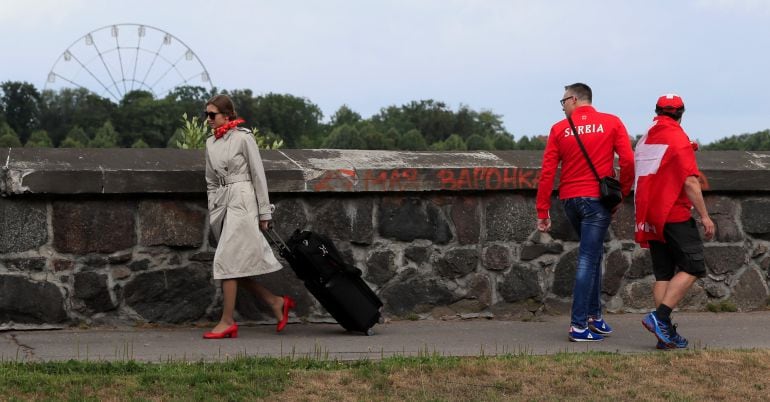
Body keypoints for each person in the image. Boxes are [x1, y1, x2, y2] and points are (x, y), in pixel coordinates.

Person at [536, 83, 634, 342]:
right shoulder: (612, 123)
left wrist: (542, 210)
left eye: (564, 100)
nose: (563, 105)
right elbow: (628, 161)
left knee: (592, 254)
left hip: (570, 200)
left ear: (576, 98)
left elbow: (547, 172)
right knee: (590, 257)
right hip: (596, 200)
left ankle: (591, 318)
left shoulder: (559, 129)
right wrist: (621, 193)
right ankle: (580, 324)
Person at [202, 94, 295, 339]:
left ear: (227, 115)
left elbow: (258, 175)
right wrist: (214, 204)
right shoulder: (211, 143)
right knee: (234, 266)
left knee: (226, 262)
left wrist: (264, 212)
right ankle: (276, 302)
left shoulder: (244, 138)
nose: (208, 119)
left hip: (243, 202)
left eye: (213, 114)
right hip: (223, 204)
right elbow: (210, 179)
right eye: (206, 114)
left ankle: (227, 321)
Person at [635, 94, 715, 349]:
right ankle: (659, 318)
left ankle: (664, 335)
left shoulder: (645, 138)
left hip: (651, 215)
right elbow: (690, 182)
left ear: (657, 111)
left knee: (663, 273)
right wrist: (704, 216)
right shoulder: (678, 139)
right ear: (681, 113)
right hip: (675, 213)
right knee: (693, 266)